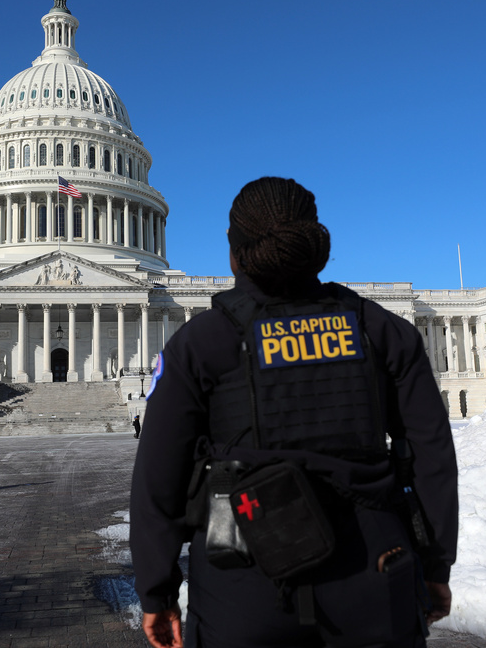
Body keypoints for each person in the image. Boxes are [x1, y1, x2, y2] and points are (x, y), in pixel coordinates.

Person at [130, 177, 458, 648]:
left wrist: (156, 591)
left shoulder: (201, 343)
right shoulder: (380, 331)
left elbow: (159, 479)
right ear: (314, 242)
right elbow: (432, 460)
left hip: (242, 582)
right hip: (375, 570)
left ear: (235, 252)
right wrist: (435, 564)